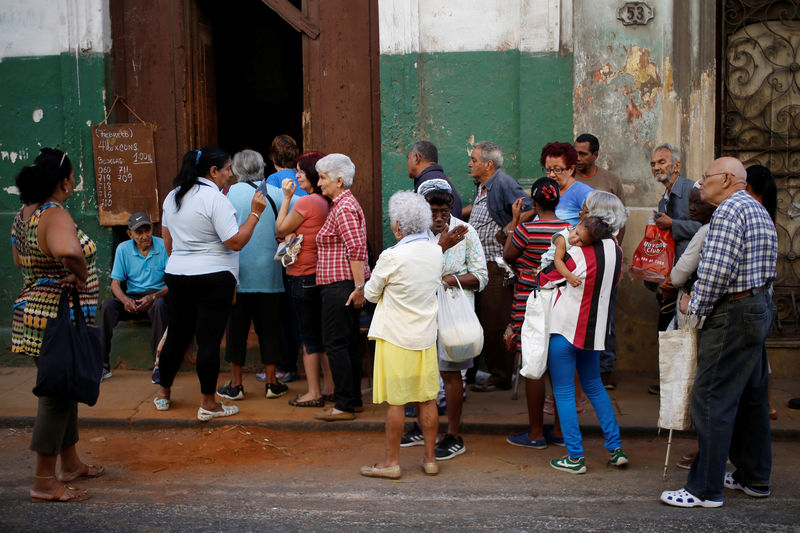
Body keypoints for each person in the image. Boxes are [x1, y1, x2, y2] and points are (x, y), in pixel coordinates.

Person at [661, 156, 777, 508]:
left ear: (727, 179)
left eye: (707, 177)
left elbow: (716, 271)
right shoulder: (755, 209)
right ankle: (754, 478)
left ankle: (704, 489)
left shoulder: (729, 211)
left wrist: (692, 306)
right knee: (751, 397)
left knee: (710, 396)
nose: (700, 183)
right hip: (757, 307)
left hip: (733, 311)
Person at [12, 148, 103, 502]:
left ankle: (71, 463)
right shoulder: (55, 213)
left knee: (65, 390)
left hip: (35, 312)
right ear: (65, 182)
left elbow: (20, 260)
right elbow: (69, 252)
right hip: (55, 316)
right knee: (54, 397)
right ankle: (44, 482)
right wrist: (77, 275)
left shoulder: (25, 214)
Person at [154, 146, 267, 422]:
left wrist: (184, 262)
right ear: (213, 171)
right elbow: (236, 241)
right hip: (214, 277)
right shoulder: (215, 199)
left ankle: (164, 394)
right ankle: (208, 403)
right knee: (208, 339)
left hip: (178, 274)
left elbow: (167, 241)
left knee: (177, 334)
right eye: (227, 168)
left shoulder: (172, 197)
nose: (230, 174)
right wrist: (255, 213)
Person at [400, 179, 488, 459]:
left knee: (451, 373)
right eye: (432, 211)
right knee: (420, 370)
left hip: (453, 313)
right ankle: (422, 426)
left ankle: (453, 434)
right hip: (421, 311)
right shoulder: (415, 234)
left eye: (444, 211)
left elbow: (481, 276)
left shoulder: (467, 233)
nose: (439, 217)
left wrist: (451, 279)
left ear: (452, 207)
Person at [540, 202, 629, 474]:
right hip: (594, 332)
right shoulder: (617, 250)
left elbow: (545, 278)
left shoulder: (575, 253)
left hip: (565, 329)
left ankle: (575, 457)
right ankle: (616, 449)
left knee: (564, 392)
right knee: (595, 386)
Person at [360, 191, 444, 479]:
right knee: (428, 399)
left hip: (396, 336)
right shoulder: (435, 250)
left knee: (397, 403)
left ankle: (391, 462)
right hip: (425, 336)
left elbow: (371, 294)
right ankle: (430, 459)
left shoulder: (392, 256)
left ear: (397, 225)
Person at [216, 149, 290, 403]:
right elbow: (290, 223)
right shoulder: (276, 194)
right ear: (262, 168)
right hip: (270, 274)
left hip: (236, 275)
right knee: (269, 329)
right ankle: (272, 382)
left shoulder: (225, 195)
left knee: (235, 330)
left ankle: (236, 385)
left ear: (235, 170)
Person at [503, 178, 571, 450]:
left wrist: (516, 221)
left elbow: (508, 255)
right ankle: (559, 431)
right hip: (561, 301)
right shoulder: (569, 229)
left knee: (533, 367)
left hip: (529, 301)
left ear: (535, 202)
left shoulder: (526, 230)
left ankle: (534, 434)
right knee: (559, 366)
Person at [466, 141, 532, 392]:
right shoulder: (483, 186)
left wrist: (509, 229)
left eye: (474, 159)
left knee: (496, 322)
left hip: (497, 266)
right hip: (482, 266)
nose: (470, 164)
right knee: (485, 321)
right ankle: (494, 372)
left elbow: (530, 208)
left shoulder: (503, 183)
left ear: (488, 164)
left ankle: (501, 375)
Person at [312, 153, 371, 421]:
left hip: (341, 286)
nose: (319, 182)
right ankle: (353, 400)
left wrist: (359, 287)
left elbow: (356, 248)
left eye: (323, 177)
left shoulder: (344, 207)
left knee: (335, 343)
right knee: (345, 342)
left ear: (338, 179)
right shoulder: (341, 204)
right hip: (342, 285)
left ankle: (345, 404)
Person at [275, 151, 335, 407]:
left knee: (308, 338)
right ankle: (329, 387)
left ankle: (313, 392)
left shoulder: (307, 202)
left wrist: (287, 198)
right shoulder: (324, 201)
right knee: (320, 336)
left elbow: (280, 228)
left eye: (300, 171)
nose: (296, 174)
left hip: (301, 275)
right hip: (317, 274)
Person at [574, 133, 626, 388]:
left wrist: (612, 252)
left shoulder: (610, 180)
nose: (578, 158)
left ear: (595, 155)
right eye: (576, 152)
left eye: (583, 154)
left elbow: (621, 220)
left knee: (607, 313)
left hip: (605, 259)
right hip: (580, 260)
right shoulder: (569, 179)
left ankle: (605, 369)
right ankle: (582, 369)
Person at [98, 212, 168, 384]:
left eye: (148, 230)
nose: (145, 236)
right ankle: (101, 364)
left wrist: (152, 296)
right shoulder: (123, 249)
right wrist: (124, 300)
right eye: (139, 232)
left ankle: (159, 365)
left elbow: (173, 283)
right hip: (132, 299)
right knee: (107, 306)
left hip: (156, 297)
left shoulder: (164, 246)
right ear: (130, 234)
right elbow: (115, 284)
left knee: (160, 306)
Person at [265, 134, 304, 384]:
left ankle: (286, 365)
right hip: (305, 251)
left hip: (284, 252)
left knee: (281, 312)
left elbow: (272, 222)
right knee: (297, 311)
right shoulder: (303, 178)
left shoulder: (271, 181)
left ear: (272, 158)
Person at [650, 143, 701, 333]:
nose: (656, 167)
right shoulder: (663, 200)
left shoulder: (692, 190)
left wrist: (673, 224)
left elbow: (705, 229)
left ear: (677, 165)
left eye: (661, 162)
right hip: (674, 279)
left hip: (693, 279)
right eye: (653, 164)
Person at [745, 164, 779, 420]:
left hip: (752, 293)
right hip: (765, 290)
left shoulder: (751, 211)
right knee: (759, 352)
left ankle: (763, 403)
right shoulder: (768, 212)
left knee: (755, 354)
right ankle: (766, 404)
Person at [407, 140, 463, 218]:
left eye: (408, 158)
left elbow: (439, 224)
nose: (407, 163)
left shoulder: (431, 183)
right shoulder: (439, 179)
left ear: (416, 158)